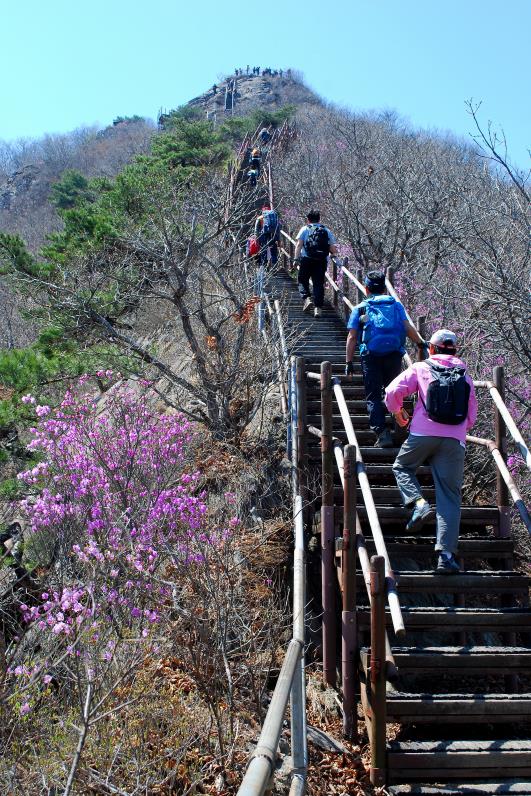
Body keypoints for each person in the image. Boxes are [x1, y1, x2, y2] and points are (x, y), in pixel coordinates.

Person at [385, 329, 478, 574]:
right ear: (455, 351)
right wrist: (456, 432)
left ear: (432, 349)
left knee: (402, 467)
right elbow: (471, 416)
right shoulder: (464, 375)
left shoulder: (421, 368)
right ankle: (446, 557)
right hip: (454, 440)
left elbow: (392, 392)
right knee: (449, 496)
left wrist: (398, 412)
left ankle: (418, 503)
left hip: (422, 434)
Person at [345, 271, 426, 448]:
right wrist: (420, 343)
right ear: (384, 288)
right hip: (394, 354)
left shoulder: (361, 308)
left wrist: (349, 362)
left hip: (370, 356)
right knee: (394, 391)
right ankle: (401, 430)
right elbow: (407, 327)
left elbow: (352, 337)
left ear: (366, 289)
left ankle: (382, 434)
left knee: (373, 395)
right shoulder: (396, 305)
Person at [294, 210, 339, 318]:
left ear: (308, 220)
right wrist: (334, 255)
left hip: (306, 259)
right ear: (319, 219)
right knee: (318, 284)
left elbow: (299, 245)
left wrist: (296, 259)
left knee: (302, 279)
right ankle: (318, 309)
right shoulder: (326, 230)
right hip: (321, 260)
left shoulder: (305, 229)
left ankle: (307, 298)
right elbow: (332, 248)